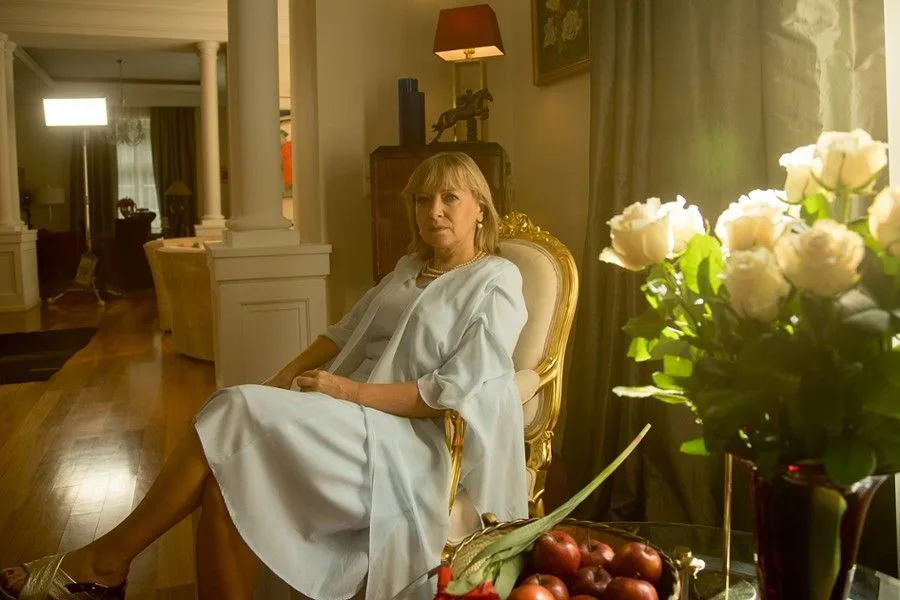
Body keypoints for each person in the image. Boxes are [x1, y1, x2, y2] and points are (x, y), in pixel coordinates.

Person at [0, 152, 529, 600]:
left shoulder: (496, 279)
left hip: (408, 440)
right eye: (422, 199)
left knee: (232, 408)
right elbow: (343, 333)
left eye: (449, 198)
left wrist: (347, 390)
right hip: (344, 414)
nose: (433, 211)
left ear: (480, 208)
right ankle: (106, 565)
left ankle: (105, 560)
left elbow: (449, 392)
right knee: (224, 486)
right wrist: (283, 377)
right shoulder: (407, 269)